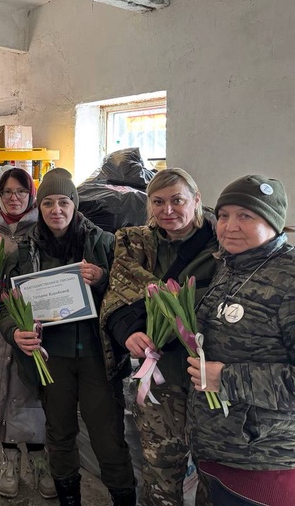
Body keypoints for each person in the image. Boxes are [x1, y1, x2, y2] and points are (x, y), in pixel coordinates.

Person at [0, 168, 136, 506]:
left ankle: (123, 497)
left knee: (108, 438)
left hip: (97, 358)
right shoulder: (24, 252)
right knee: (59, 435)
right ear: (39, 207)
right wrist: (16, 332)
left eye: (63, 201)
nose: (55, 210)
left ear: (75, 204)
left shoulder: (104, 244)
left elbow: (131, 296)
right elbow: (5, 307)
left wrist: (103, 279)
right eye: (48, 203)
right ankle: (69, 499)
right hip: (52, 360)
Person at [101, 168, 219, 506]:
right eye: (158, 202)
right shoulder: (135, 242)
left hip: (208, 377)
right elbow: (118, 297)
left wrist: (176, 305)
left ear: (196, 200)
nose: (168, 210)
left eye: (177, 200)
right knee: (159, 470)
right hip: (160, 376)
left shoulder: (221, 244)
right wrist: (129, 332)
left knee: (214, 473)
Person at [186, 175, 295, 505]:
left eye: (246, 216)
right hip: (218, 452)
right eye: (223, 215)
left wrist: (227, 378)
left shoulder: (289, 278)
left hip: (264, 465)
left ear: (273, 223)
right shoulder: (231, 265)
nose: (229, 226)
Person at [0, 166, 56, 499]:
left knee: (30, 390)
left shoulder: (44, 229)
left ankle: (39, 459)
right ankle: (10, 459)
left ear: (30, 195)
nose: (13, 198)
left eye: (20, 192)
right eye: (6, 193)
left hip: (31, 321)